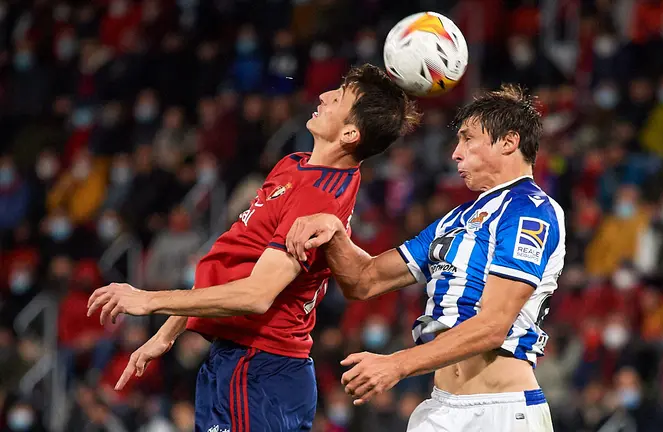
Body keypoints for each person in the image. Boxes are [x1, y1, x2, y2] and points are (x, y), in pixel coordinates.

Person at [86, 64, 420, 432]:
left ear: (350, 133)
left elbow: (257, 295)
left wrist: (148, 300)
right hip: (235, 361)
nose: (323, 96)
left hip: (262, 367)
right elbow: (234, 257)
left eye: (338, 98)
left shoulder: (318, 198)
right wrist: (167, 334)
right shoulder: (294, 166)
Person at [285, 84, 564, 431]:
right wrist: (334, 230)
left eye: (467, 139)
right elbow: (365, 279)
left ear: (508, 142)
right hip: (441, 407)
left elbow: (494, 326)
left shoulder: (530, 211)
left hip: (501, 411)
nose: (456, 154)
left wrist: (396, 365)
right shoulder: (456, 219)